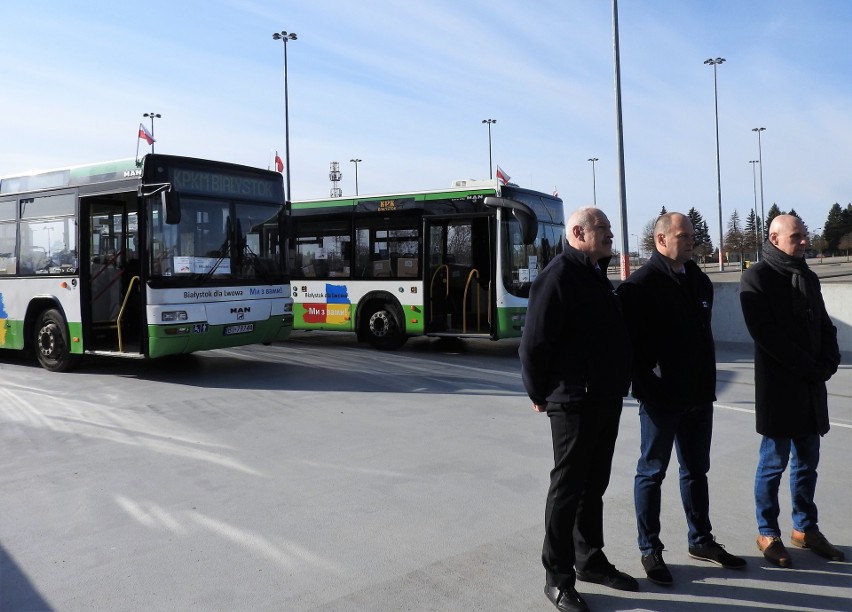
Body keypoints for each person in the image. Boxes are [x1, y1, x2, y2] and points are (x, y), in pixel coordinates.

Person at [617, 212, 746, 585]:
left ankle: (701, 540)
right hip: (661, 401)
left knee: (696, 470)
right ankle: (650, 550)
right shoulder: (638, 287)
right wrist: (653, 388)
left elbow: (701, 340)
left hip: (698, 397)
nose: (692, 241)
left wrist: (706, 386)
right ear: (661, 240)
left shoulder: (699, 281)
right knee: (652, 471)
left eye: (692, 235)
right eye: (683, 235)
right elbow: (630, 353)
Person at [519, 207, 636, 612]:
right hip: (572, 401)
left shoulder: (595, 274)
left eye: (608, 229)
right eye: (602, 229)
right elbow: (534, 342)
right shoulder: (558, 276)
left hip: (604, 398)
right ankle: (557, 578)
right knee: (567, 489)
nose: (609, 236)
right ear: (578, 232)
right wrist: (538, 392)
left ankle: (590, 560)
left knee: (594, 486)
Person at [740, 214, 843, 568]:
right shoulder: (756, 278)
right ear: (775, 238)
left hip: (810, 387)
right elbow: (765, 334)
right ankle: (767, 532)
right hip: (780, 389)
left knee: (807, 464)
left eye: (805, 236)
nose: (804, 242)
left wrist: (829, 360)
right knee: (773, 463)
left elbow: (824, 324)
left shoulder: (807, 277)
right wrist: (808, 367)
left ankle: (805, 528)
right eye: (797, 237)